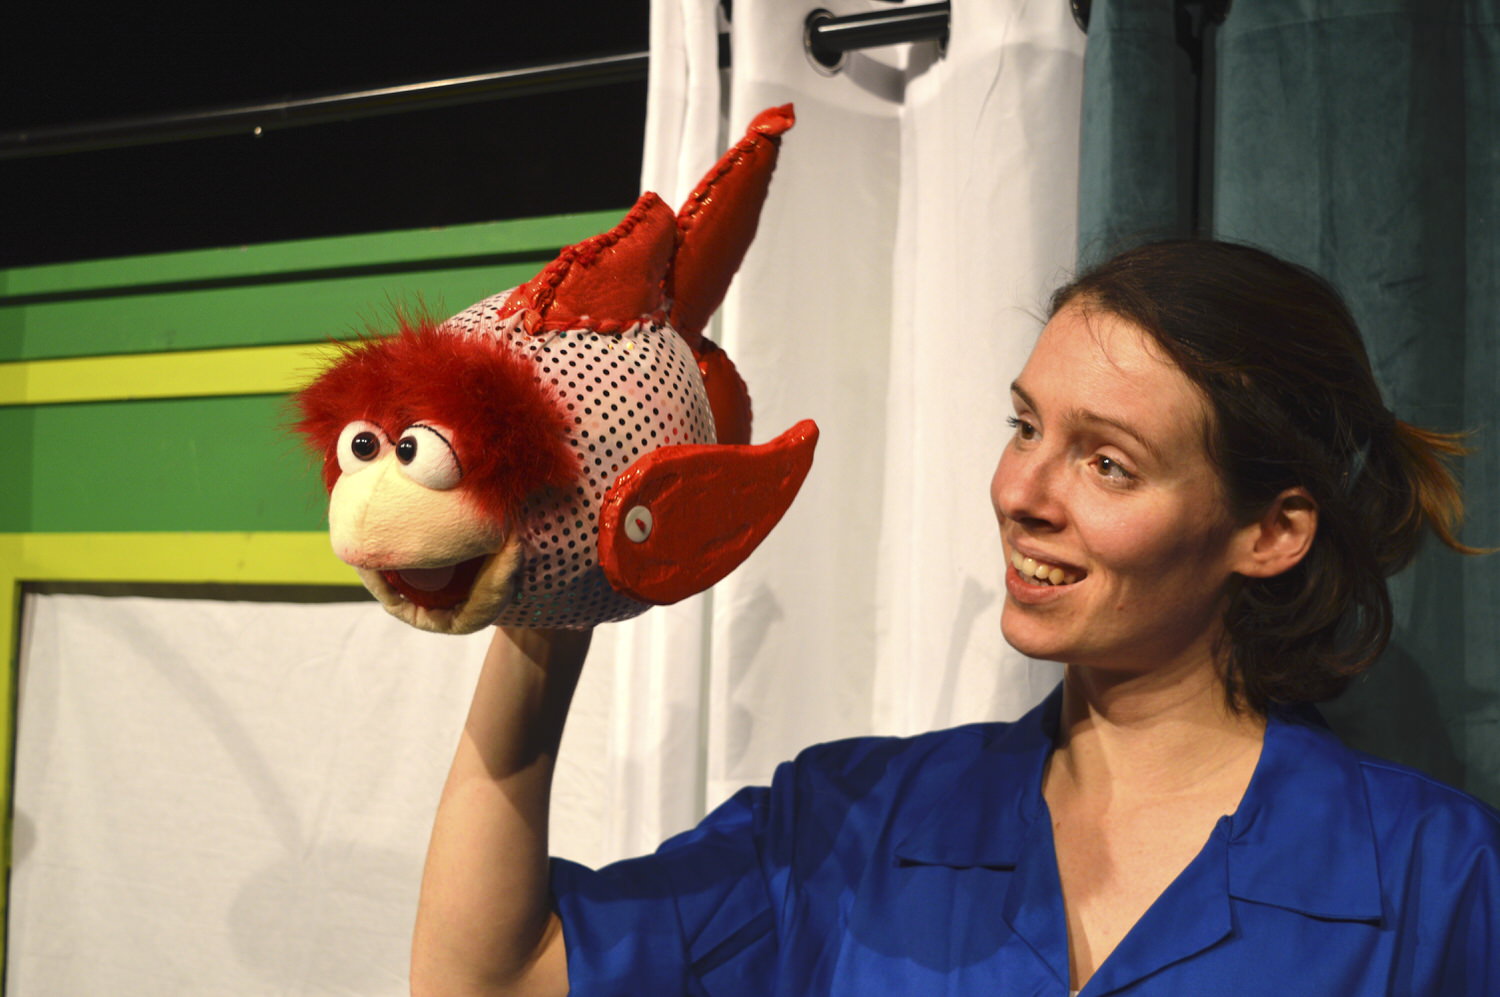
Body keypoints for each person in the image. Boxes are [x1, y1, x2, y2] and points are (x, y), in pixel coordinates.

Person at [409, 240, 1499, 996]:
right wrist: (555, 579)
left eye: (1108, 463)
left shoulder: (1433, 876)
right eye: (1026, 426)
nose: (1022, 491)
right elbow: (491, 981)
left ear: (1270, 531)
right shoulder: (849, 824)